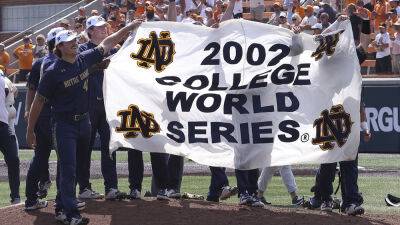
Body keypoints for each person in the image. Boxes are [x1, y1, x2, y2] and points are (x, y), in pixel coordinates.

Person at [26, 20, 143, 225]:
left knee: (74, 167)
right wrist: (30, 131)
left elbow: (107, 42)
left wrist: (129, 26)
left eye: (74, 40)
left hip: (84, 123)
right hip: (63, 125)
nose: (74, 43)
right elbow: (38, 101)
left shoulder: (83, 59)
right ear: (59, 47)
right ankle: (72, 214)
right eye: (69, 41)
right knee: (69, 168)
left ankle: (62, 207)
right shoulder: (53, 71)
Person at [76, 15, 126, 200]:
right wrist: (98, 66)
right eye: (98, 27)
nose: (104, 29)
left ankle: (111, 187)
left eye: (104, 26)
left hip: (108, 104)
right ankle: (84, 187)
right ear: (89, 31)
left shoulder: (115, 49)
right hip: (88, 105)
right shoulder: (81, 49)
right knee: (85, 148)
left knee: (110, 148)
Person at [24, 27, 65, 211]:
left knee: (40, 157)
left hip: (42, 116)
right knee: (65, 157)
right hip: (55, 116)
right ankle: (61, 199)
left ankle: (31, 199)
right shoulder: (62, 63)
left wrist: (28, 112)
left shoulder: (39, 62)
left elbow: (31, 90)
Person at [0, 69, 20, 205]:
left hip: (2, 124)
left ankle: (16, 197)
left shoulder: (1, 76)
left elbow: (9, 89)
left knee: (13, 158)